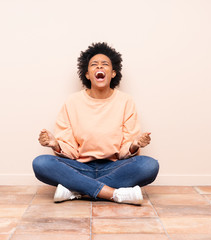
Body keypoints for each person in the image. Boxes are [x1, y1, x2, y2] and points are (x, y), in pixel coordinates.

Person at [32, 42, 159, 205]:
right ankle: (113, 193)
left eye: (105, 64)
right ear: (87, 74)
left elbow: (124, 151)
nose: (100, 66)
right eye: (94, 64)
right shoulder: (72, 102)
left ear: (113, 73)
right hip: (79, 167)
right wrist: (55, 144)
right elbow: (70, 151)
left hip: (114, 167)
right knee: (41, 163)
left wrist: (134, 145)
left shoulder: (125, 101)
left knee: (149, 166)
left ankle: (77, 190)